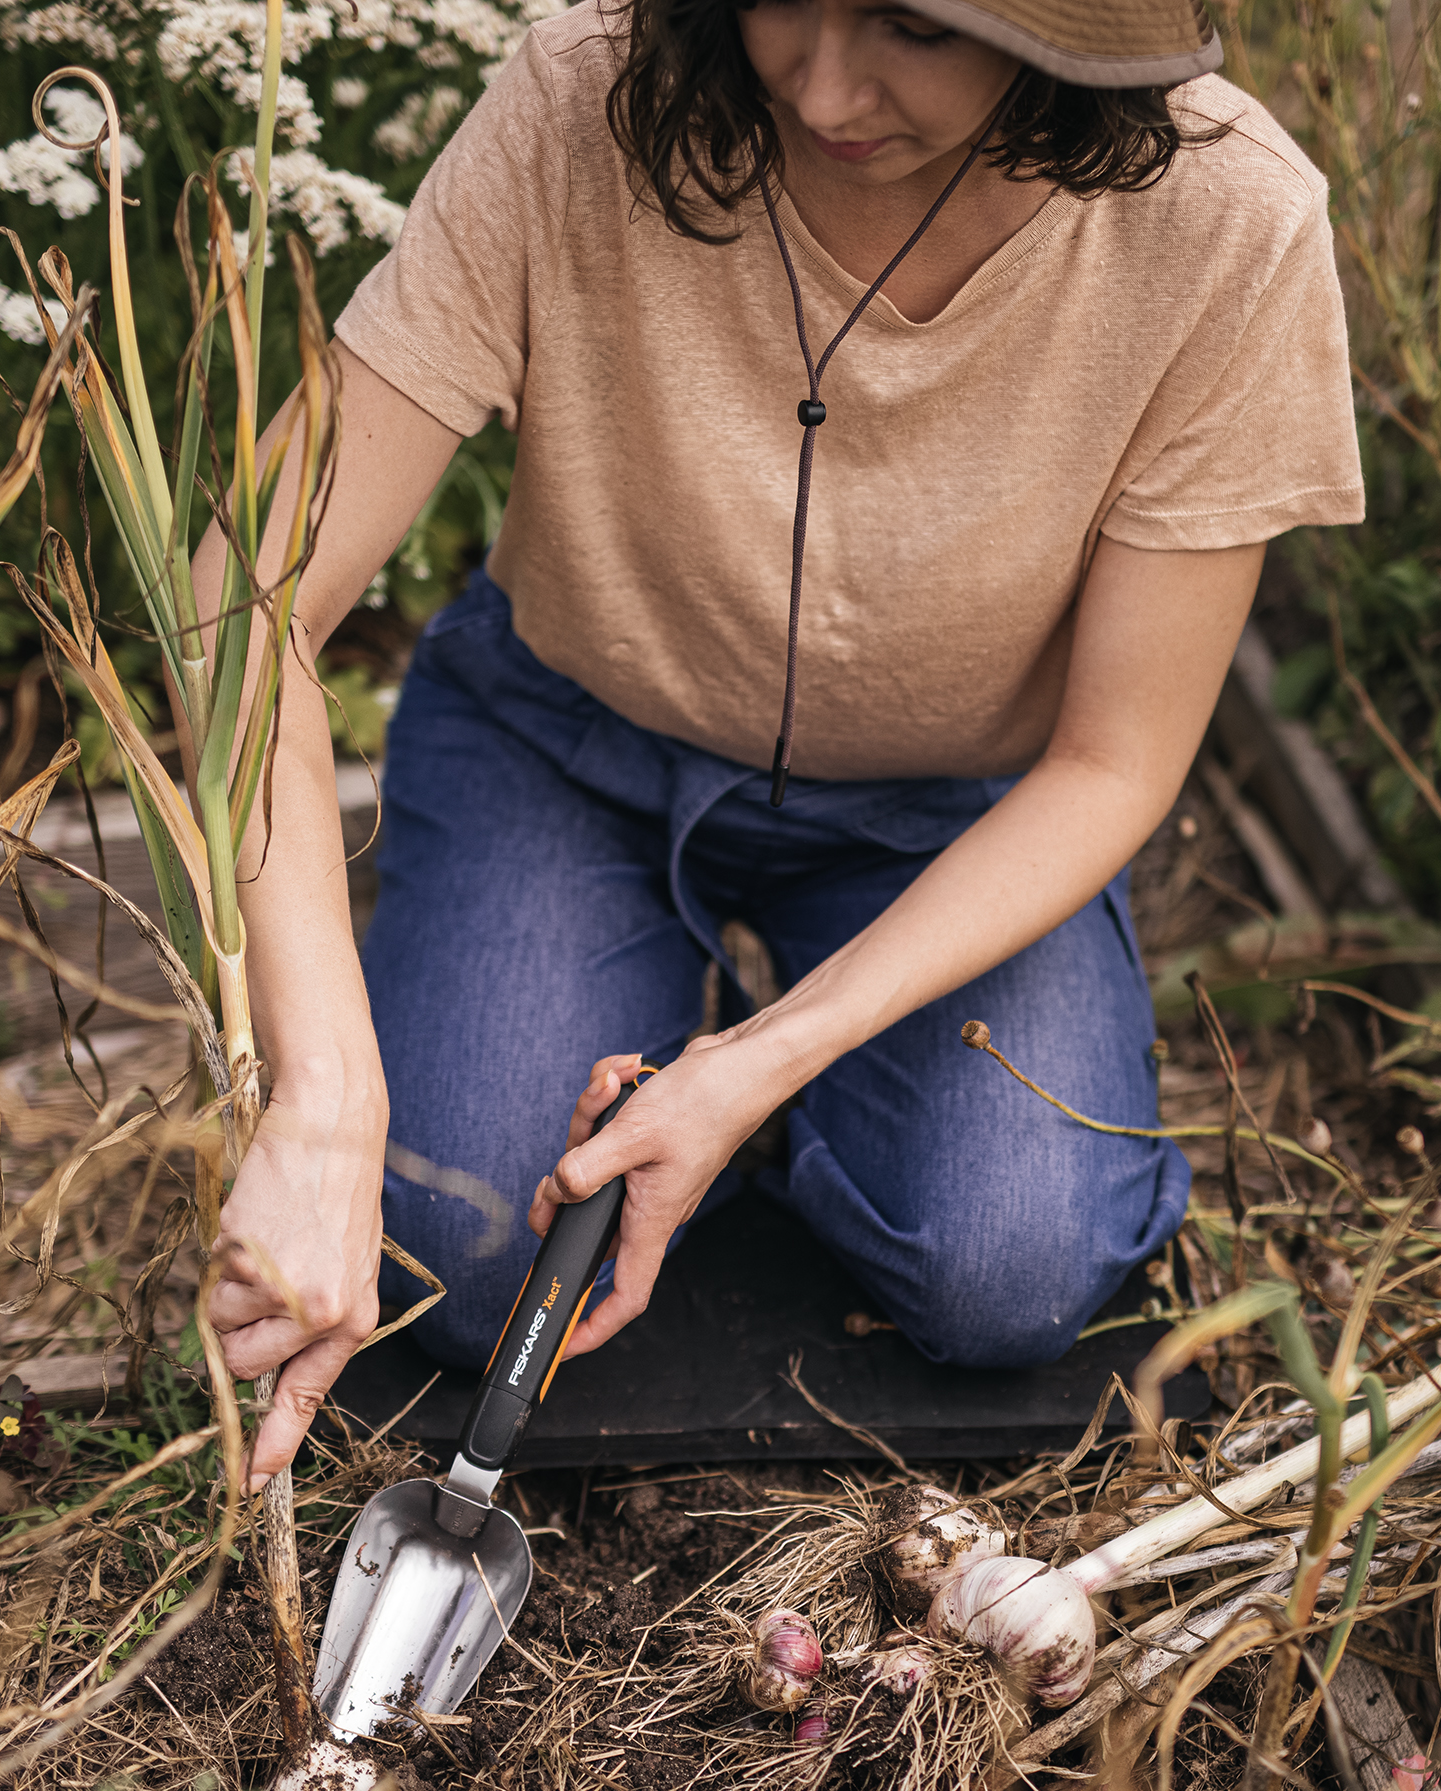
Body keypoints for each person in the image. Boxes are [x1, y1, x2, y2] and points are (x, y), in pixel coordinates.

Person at [202, 0, 1363, 1490]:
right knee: (471, 1264)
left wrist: (764, 1061)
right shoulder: (582, 97)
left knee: (1007, 1272)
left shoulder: (1229, 222)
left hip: (946, 821)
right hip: (572, 752)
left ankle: (751, 1078)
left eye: (911, 27)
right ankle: (675, 1058)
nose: (821, 89)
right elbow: (246, 610)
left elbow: (1112, 766)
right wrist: (326, 1102)